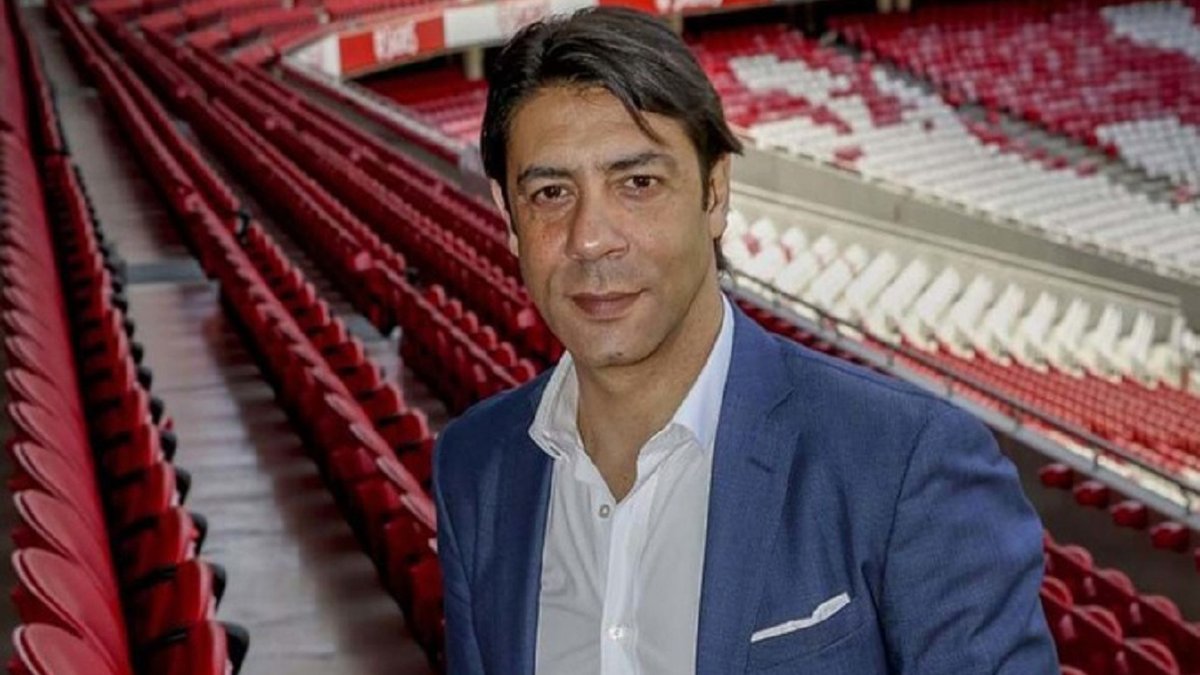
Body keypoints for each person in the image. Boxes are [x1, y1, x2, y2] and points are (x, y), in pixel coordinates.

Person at [433, 7, 1058, 674]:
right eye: (551, 193)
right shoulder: (475, 467)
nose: (590, 238)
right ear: (509, 218)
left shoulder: (905, 461)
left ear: (715, 193)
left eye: (638, 183)